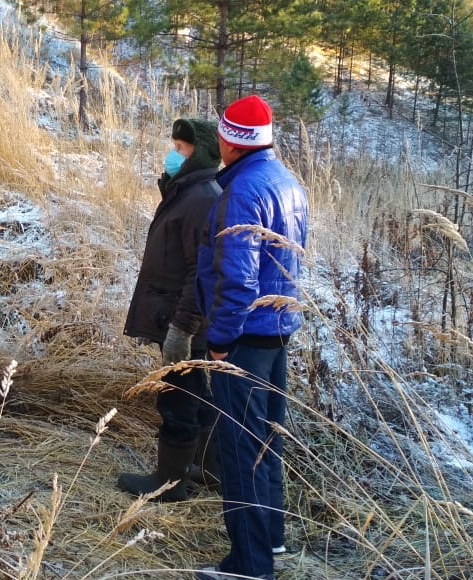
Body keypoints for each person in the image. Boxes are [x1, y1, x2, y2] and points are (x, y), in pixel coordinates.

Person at [194, 95, 309, 580]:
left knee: (242, 451)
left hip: (244, 337)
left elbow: (239, 280)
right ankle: (272, 538)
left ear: (229, 141)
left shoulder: (242, 192)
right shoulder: (285, 180)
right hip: (277, 330)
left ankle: (248, 565)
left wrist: (220, 340)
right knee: (266, 441)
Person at [119, 118, 223, 502]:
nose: (174, 155)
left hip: (185, 321)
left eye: (182, 149)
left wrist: (182, 327)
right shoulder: (186, 192)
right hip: (180, 316)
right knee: (196, 394)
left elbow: (202, 270)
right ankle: (209, 470)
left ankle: (170, 482)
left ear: (203, 153)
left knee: (178, 397)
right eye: (174, 146)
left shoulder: (202, 198)